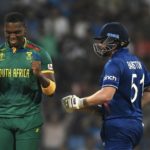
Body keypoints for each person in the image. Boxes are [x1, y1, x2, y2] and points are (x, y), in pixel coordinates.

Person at [62, 22, 150, 150]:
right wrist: (80, 106)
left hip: (119, 127)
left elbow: (106, 96)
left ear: (114, 42)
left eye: (103, 41)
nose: (100, 45)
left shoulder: (114, 63)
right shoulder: (137, 62)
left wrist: (81, 101)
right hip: (133, 125)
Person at [0, 12, 56, 150]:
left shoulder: (39, 53)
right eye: (8, 32)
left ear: (25, 29)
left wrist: (39, 75)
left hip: (28, 120)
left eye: (17, 32)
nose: (12, 36)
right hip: (2, 119)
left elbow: (51, 91)